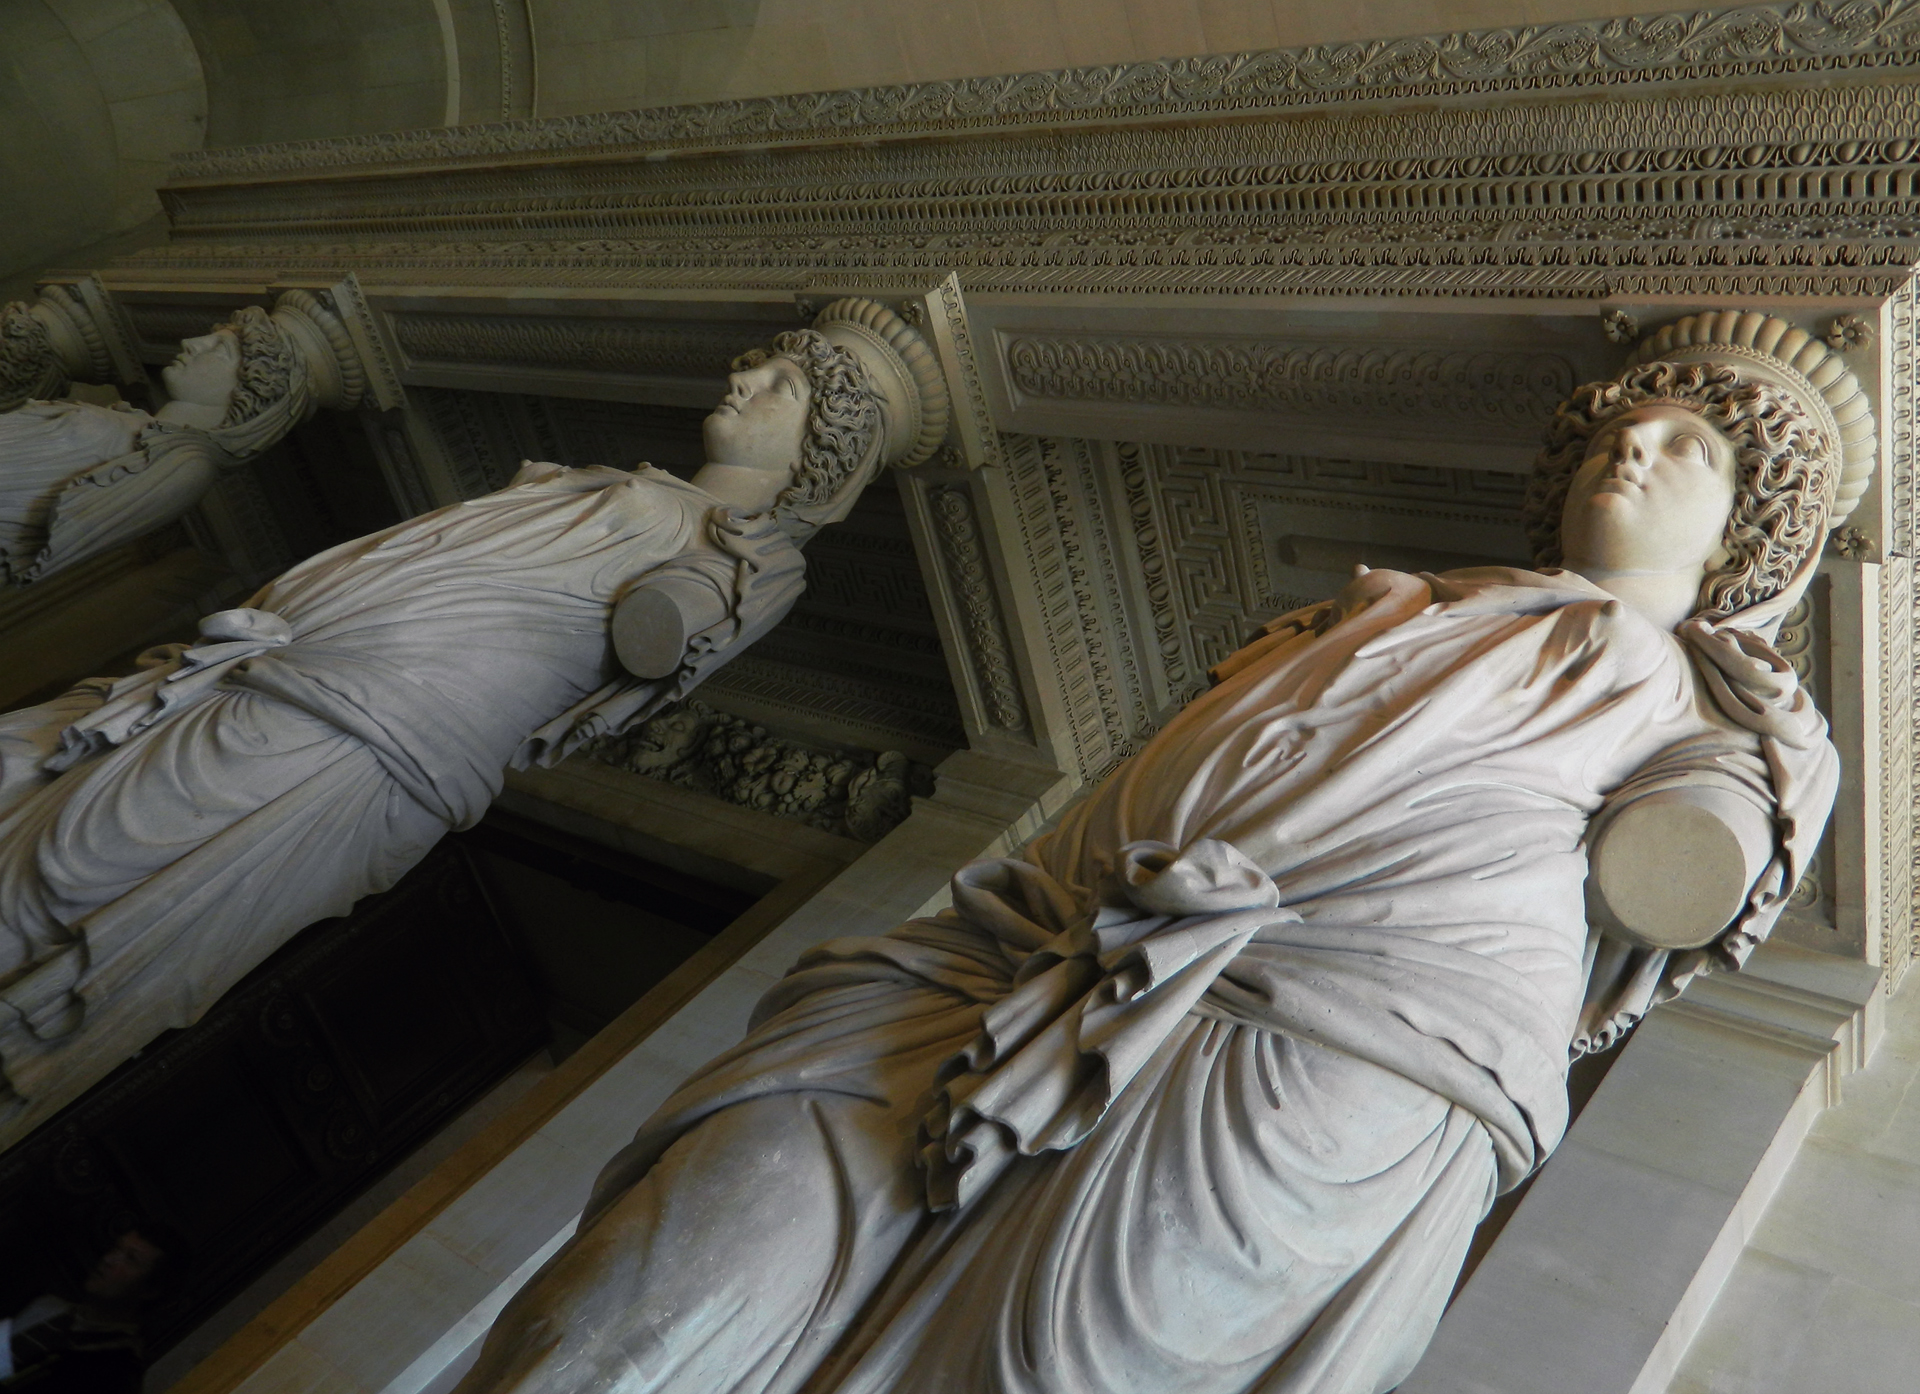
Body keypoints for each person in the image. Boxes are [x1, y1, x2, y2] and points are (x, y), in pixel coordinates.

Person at [452, 313, 1864, 1394]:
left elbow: (1705, 853)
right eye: (1628, 428)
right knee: (643, 1290)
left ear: (1751, 529)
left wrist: (1723, 801)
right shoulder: (1392, 603)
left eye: (1691, 450)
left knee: (1056, 1361)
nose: (1636, 450)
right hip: (1011, 950)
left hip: (1336, 1029)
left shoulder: (1718, 695)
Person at [0, 297, 949, 1154]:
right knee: (32, 787)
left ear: (822, 455)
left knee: (74, 873)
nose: (744, 377)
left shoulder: (754, 561)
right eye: (763, 365)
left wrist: (714, 575)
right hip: (266, 669)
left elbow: (666, 629)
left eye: (782, 385)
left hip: (358, 737)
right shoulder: (605, 481)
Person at [0, 289, 361, 586]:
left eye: (219, 348)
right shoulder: (137, 427)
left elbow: (41, 542)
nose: (192, 342)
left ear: (255, 388)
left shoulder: (187, 465)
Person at [0, 1225, 182, 1393]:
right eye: (116, 1248)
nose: (108, 1259)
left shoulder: (115, 1370)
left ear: (150, 1290)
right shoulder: (46, 1305)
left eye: (131, 1259)